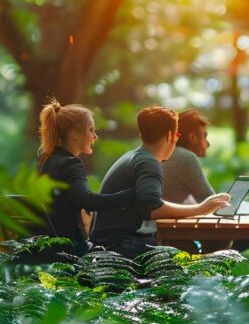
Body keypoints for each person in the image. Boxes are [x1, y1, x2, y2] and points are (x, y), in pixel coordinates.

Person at [91, 106, 230, 258]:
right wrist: (199, 209)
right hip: (119, 246)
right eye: (177, 136)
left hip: (107, 243)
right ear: (170, 135)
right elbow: (152, 207)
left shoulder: (134, 156)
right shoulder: (149, 162)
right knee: (203, 260)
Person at [36, 100, 137, 255]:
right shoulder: (71, 163)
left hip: (45, 247)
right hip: (68, 249)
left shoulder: (47, 160)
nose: (95, 136)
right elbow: (88, 200)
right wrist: (129, 196)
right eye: (91, 130)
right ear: (75, 134)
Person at [161, 109, 215, 204]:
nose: (208, 144)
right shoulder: (185, 158)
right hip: (160, 219)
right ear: (192, 137)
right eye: (204, 136)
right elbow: (211, 201)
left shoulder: (165, 153)